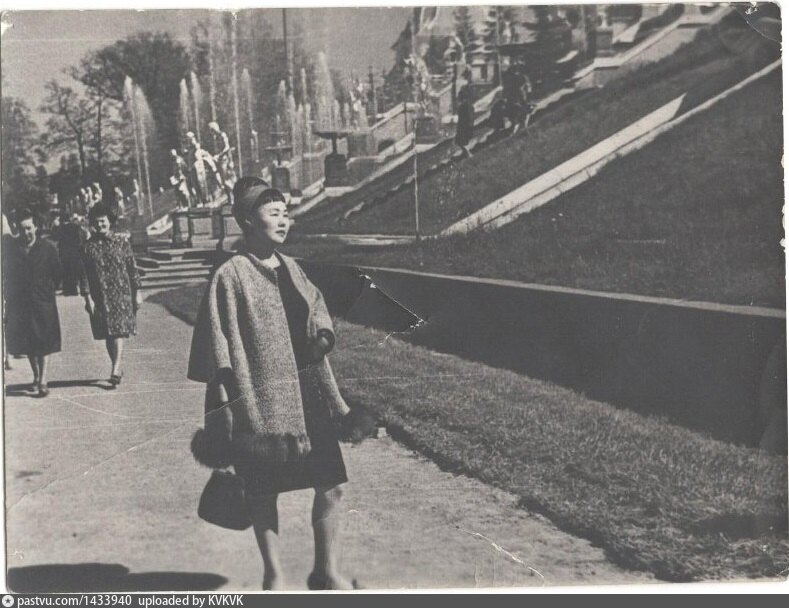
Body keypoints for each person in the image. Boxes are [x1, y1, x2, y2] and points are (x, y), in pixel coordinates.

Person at [188, 177, 371, 590]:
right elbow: (217, 339)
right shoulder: (230, 275)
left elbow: (317, 306)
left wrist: (323, 335)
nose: (284, 220)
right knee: (263, 490)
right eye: (274, 213)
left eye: (286, 213)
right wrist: (224, 400)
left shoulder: (291, 267)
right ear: (248, 221)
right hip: (260, 401)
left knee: (331, 484)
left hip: (308, 394)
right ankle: (274, 575)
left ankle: (326, 572)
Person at [80, 202, 142, 388]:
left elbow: (132, 268)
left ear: (110, 221)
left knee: (118, 331)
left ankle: (115, 369)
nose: (100, 225)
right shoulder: (87, 247)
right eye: (97, 222)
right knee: (108, 333)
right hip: (100, 296)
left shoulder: (121, 242)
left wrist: (138, 292)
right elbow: (83, 275)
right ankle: (117, 367)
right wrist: (87, 298)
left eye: (103, 221)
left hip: (121, 293)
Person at [3, 208, 62, 397]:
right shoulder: (12, 250)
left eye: (29, 228)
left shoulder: (48, 248)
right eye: (22, 229)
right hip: (21, 304)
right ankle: (36, 376)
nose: (26, 232)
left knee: (44, 341)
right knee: (28, 342)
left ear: (36, 227)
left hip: (43, 302)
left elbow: (57, 274)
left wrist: (46, 290)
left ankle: (43, 380)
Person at [53, 213, 85, 296]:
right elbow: (81, 236)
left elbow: (55, 237)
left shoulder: (61, 228)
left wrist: (55, 226)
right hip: (75, 251)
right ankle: (74, 289)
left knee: (66, 271)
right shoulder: (75, 227)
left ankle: (67, 290)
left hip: (64, 252)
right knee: (74, 270)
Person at [208, 121, 236, 202]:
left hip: (224, 160)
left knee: (226, 180)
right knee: (223, 181)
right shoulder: (215, 138)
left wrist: (219, 155)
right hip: (219, 161)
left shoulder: (222, 135)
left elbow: (227, 147)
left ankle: (236, 194)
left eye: (211, 130)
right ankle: (230, 199)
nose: (211, 132)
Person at [455, 85, 475, 158]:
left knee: (460, 141)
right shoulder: (468, 105)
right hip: (464, 126)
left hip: (464, 127)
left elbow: (469, 116)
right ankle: (465, 153)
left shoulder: (465, 106)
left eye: (459, 97)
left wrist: (469, 125)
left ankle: (468, 153)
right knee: (460, 141)